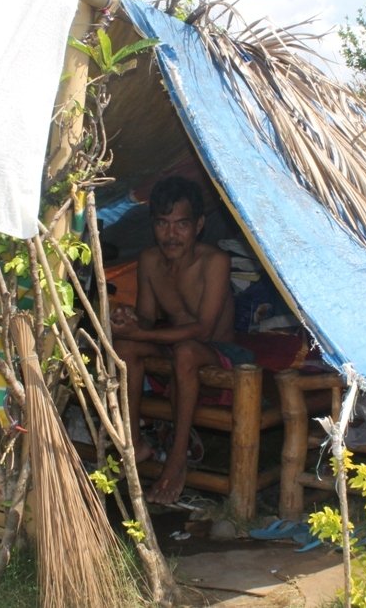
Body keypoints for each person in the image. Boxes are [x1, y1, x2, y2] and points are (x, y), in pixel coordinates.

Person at [111, 176, 250, 505]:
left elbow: (203, 330)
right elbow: (146, 315)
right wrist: (130, 320)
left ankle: (177, 458)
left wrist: (143, 331)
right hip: (178, 346)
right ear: (153, 224)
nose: (171, 234)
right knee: (125, 346)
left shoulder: (214, 261)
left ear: (199, 225)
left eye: (181, 225)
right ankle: (134, 444)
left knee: (186, 350)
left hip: (219, 351)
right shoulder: (149, 260)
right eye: (162, 224)